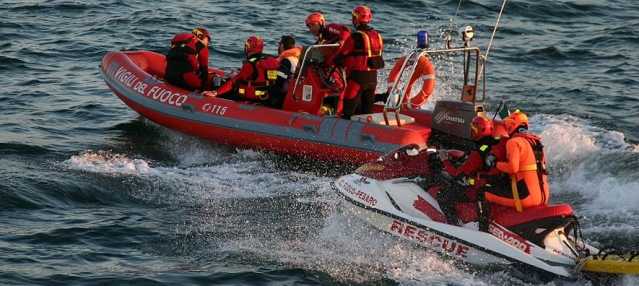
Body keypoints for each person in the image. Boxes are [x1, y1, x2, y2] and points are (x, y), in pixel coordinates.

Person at [435, 115, 508, 225]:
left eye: (475, 129)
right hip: (496, 184)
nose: (472, 132)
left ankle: (454, 225)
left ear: (482, 130)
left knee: (442, 196)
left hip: (478, 187)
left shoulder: (478, 152)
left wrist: (445, 160)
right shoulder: (496, 144)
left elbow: (456, 174)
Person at [326, 5, 384, 119]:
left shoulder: (355, 36)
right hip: (373, 78)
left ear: (356, 19)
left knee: (348, 110)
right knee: (367, 111)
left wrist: (329, 62)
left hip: (357, 79)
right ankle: (369, 131)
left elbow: (341, 54)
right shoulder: (377, 35)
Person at [490, 110, 550, 212]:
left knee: (484, 192)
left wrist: (495, 163)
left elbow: (512, 168)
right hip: (544, 196)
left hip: (526, 197)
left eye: (508, 126)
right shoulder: (536, 142)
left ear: (512, 125)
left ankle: (483, 226)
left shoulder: (514, 142)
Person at [204, 36, 280, 106]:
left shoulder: (250, 64)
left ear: (249, 47)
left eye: (246, 46)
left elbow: (234, 81)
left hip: (252, 97)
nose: (245, 48)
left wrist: (216, 92)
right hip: (266, 97)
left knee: (223, 86)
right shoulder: (270, 60)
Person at [383, 31, 436, 107]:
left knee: (411, 80)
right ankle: (403, 102)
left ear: (417, 43)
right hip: (421, 63)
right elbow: (395, 72)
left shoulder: (418, 59)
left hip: (421, 63)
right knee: (410, 81)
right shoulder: (420, 59)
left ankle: (404, 103)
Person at [270, 35, 302, 108]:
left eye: (279, 44)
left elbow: (281, 76)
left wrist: (269, 74)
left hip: (286, 92)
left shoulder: (286, 60)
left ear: (282, 46)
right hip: (295, 89)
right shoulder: (297, 58)